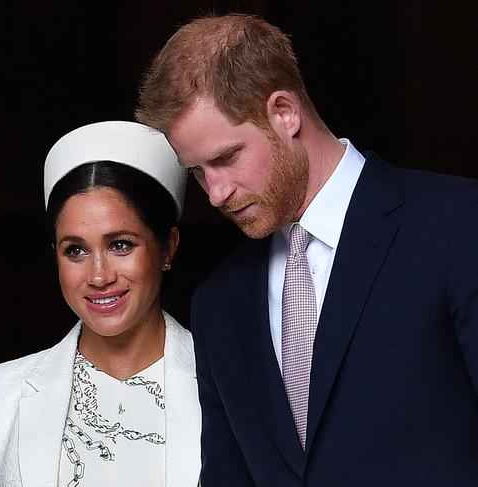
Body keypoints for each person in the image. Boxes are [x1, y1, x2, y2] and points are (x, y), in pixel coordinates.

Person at [136, 13, 478, 487]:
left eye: (226, 157)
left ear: (285, 113)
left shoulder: (457, 226)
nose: (214, 193)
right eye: (197, 171)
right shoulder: (218, 305)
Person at [0, 121, 201, 487]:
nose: (99, 276)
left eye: (121, 245)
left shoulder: (226, 386)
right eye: (76, 250)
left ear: (168, 247)